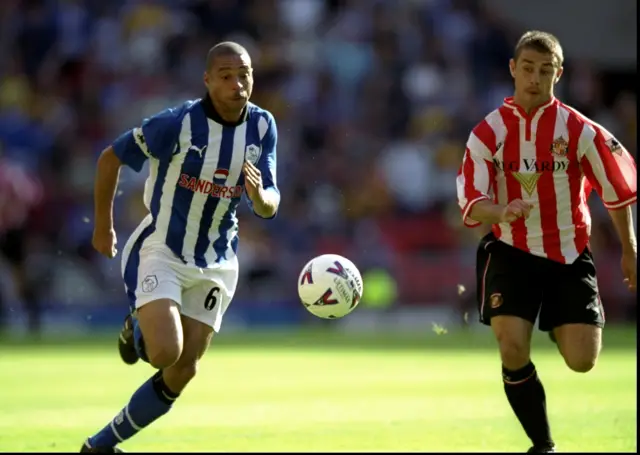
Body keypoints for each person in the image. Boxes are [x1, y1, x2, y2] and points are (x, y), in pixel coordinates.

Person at [83, 41, 280, 453]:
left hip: (218, 261)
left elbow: (271, 198)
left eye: (243, 74)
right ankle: (136, 325)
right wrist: (103, 226)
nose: (237, 84)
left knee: (184, 369)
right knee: (164, 353)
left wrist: (261, 199)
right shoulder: (176, 124)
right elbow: (108, 159)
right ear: (207, 81)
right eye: (225, 76)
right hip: (163, 250)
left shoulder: (262, 127)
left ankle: (99, 446)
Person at [456, 30, 637, 453]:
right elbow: (471, 198)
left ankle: (559, 326)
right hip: (510, 251)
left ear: (558, 74)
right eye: (528, 69)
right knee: (511, 345)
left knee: (582, 361)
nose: (535, 79)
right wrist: (500, 211)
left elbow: (617, 189)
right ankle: (543, 445)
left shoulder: (579, 130)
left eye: (545, 71)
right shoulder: (488, 133)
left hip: (569, 255)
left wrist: (630, 250)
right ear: (513, 70)